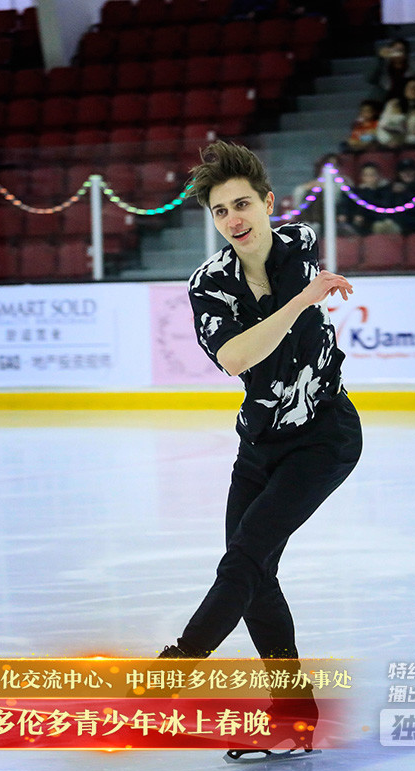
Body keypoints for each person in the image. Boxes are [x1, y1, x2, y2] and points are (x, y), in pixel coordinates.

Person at [164, 144, 362, 726]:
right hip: (259, 444)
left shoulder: (299, 242)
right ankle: (295, 710)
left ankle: (177, 667)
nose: (234, 219)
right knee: (254, 570)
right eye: (221, 211)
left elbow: (278, 332)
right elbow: (235, 358)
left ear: (268, 203)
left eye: (243, 204)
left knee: (245, 561)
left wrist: (298, 300)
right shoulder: (209, 284)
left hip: (324, 436)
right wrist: (303, 300)